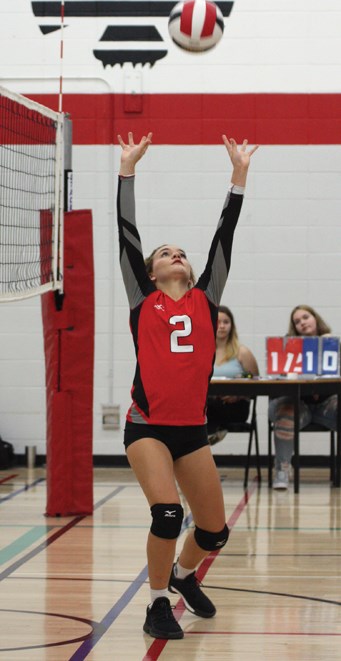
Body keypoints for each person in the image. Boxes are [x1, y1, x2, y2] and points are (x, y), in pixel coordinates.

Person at [116, 130, 258, 640]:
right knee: (169, 513)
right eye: (165, 253)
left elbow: (226, 233)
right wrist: (127, 170)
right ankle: (157, 602)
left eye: (181, 251)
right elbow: (126, 233)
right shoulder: (142, 300)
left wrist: (239, 175)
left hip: (191, 430)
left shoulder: (206, 298)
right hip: (147, 427)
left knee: (215, 532)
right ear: (151, 272)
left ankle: (182, 575)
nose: (175, 254)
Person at [269, 305, 338, 490]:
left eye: (305, 317)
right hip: (299, 404)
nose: (302, 323)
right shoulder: (287, 346)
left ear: (315, 318)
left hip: (326, 403)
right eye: (297, 321)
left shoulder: (331, 343)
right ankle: (282, 470)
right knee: (286, 411)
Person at [207, 305, 259, 445]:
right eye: (218, 322)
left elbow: (255, 378)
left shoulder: (242, 352)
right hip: (209, 403)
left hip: (235, 405)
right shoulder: (203, 352)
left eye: (226, 322)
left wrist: (239, 390)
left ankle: (207, 436)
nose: (222, 326)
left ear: (232, 325)